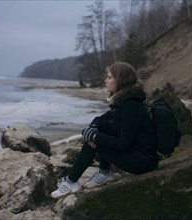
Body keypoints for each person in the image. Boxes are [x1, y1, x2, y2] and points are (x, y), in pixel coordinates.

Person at [51, 61, 159, 199]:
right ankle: (104, 172)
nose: (105, 81)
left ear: (120, 80)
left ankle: (72, 181)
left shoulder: (131, 106)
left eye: (109, 77)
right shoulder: (123, 102)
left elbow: (124, 143)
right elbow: (100, 118)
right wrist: (94, 128)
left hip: (142, 161)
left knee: (96, 140)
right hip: (138, 156)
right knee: (102, 127)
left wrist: (95, 137)